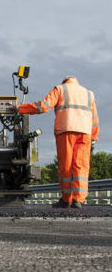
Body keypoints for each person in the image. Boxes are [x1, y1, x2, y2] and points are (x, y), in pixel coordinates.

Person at [18, 76, 99, 209]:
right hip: (85, 133)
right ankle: (78, 199)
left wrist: (21, 108)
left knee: (66, 166)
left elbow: (43, 106)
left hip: (65, 130)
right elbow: (95, 119)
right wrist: (94, 137)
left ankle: (66, 199)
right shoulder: (89, 94)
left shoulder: (60, 89)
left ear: (65, 81)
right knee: (81, 166)